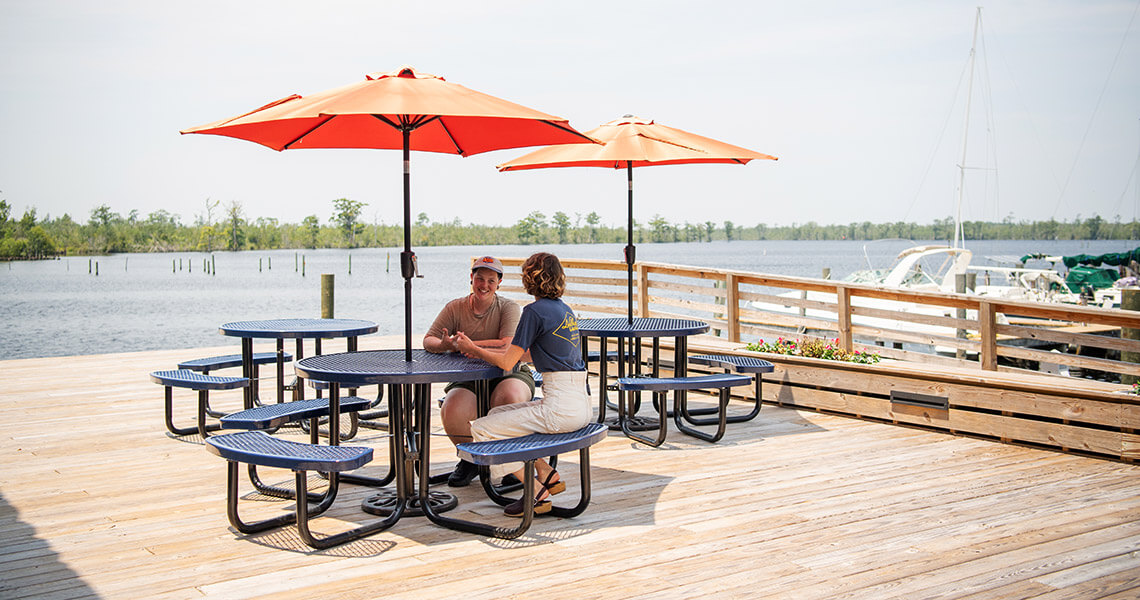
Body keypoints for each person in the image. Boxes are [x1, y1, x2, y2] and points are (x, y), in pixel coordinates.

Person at [454, 252, 591, 517]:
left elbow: (507, 363)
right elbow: (530, 355)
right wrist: (483, 349)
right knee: (497, 415)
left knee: (482, 429)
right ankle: (545, 471)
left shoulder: (533, 311)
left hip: (559, 410)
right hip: (581, 404)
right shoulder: (565, 310)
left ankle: (536, 493)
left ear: (530, 277)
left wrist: (473, 348)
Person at [424, 255, 535, 487]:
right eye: (480, 278)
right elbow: (429, 340)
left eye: (491, 281)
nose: (484, 285)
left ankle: (507, 462)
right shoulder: (455, 307)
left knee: (510, 398)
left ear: (499, 284)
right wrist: (445, 345)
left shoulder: (508, 307)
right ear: (471, 278)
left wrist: (470, 346)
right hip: (467, 376)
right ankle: (471, 458)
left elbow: (508, 344)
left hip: (509, 371)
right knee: (452, 407)